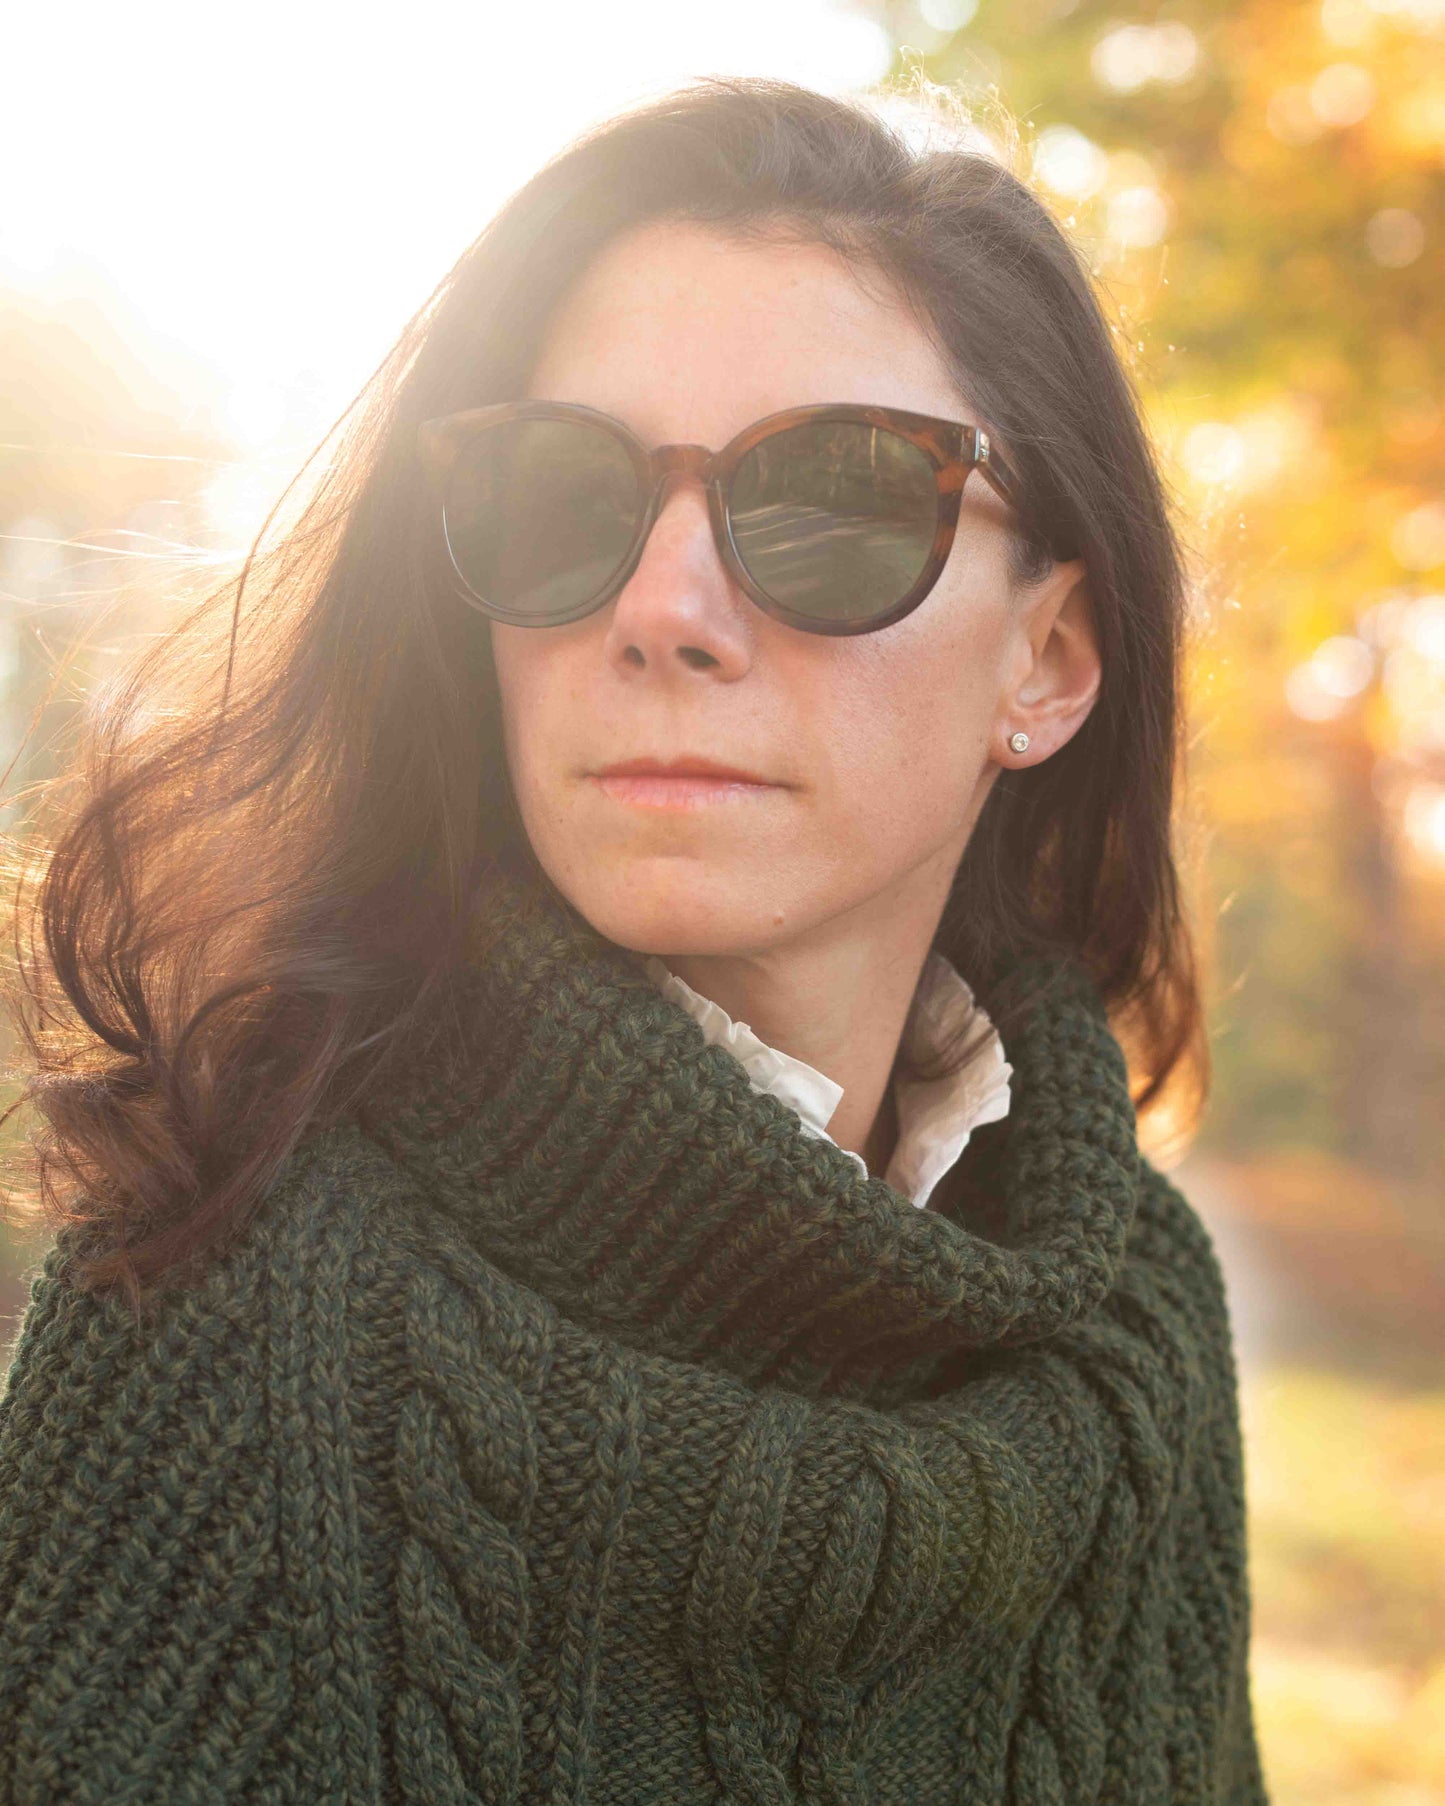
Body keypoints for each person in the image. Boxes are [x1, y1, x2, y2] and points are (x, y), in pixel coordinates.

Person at [0, 76, 1268, 1804]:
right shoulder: (222, 1298)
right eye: (557, 495)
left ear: (1043, 662)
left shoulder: (1137, 1329)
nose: (661, 609)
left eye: (831, 498)